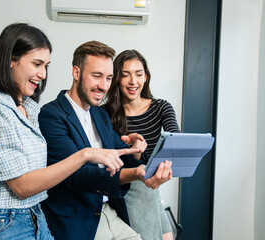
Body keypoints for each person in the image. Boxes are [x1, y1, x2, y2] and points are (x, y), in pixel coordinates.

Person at [0, 24, 138, 240]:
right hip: (4, 222)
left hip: (36, 216)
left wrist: (136, 152)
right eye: (37, 64)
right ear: (11, 59)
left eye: (46, 65)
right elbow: (22, 186)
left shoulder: (30, 109)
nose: (43, 74)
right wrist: (86, 154)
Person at [38, 41, 172, 240]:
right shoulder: (51, 115)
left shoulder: (100, 114)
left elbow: (122, 154)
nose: (103, 86)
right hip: (78, 220)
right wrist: (137, 173)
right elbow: (79, 176)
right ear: (76, 72)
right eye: (96, 76)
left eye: (109, 78)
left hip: (109, 212)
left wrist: (137, 156)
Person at [103, 49, 180, 240]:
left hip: (152, 187)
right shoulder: (106, 114)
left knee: (167, 236)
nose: (133, 81)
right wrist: (136, 156)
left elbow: (174, 142)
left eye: (138, 74)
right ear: (116, 79)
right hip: (128, 189)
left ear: (146, 77)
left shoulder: (161, 107)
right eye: (125, 75)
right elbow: (107, 163)